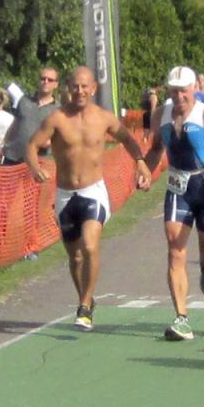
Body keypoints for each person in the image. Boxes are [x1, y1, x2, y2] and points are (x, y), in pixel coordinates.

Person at [26, 67, 151, 331]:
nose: (80, 91)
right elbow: (32, 146)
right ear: (68, 88)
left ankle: (83, 306)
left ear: (94, 88)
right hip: (65, 195)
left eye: (85, 86)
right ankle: (86, 297)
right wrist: (34, 166)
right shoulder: (57, 119)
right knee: (75, 257)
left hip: (93, 191)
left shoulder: (104, 118)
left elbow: (127, 139)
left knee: (90, 245)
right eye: (76, 86)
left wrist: (140, 162)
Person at [142, 66, 204, 341]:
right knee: (175, 246)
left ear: (194, 88)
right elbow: (156, 149)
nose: (179, 96)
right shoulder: (160, 115)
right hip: (178, 186)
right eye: (174, 91)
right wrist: (146, 172)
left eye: (183, 91)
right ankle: (181, 318)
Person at [1, 68, 62, 261]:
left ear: (56, 84)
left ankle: (30, 247)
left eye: (50, 79)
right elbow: (15, 125)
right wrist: (3, 144)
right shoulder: (24, 102)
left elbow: (60, 135)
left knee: (31, 208)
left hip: (37, 163)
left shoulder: (58, 110)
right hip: (12, 158)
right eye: (43, 78)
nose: (45, 82)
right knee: (3, 204)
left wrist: (49, 142)